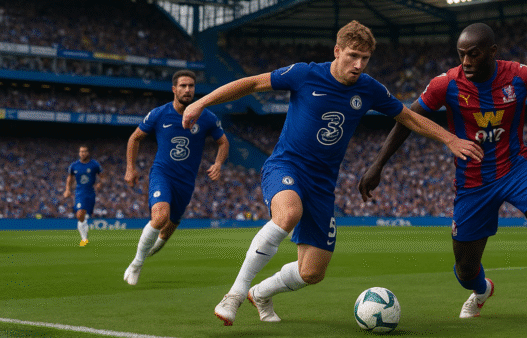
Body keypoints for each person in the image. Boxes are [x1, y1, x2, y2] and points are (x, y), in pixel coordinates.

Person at [181, 20, 483, 327]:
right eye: (352, 55)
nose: (358, 64)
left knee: (311, 272)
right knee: (288, 214)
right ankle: (234, 294)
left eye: (365, 59)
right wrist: (201, 103)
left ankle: (260, 293)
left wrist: (450, 139)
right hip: (286, 167)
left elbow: (408, 117)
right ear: (337, 51)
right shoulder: (305, 74)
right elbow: (250, 84)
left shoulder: (369, 89)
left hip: (323, 185)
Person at [360, 22, 527, 324]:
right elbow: (408, 118)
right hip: (473, 184)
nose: (466, 62)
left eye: (474, 54)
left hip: (516, 168)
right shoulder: (447, 83)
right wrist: (378, 164)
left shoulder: (518, 75)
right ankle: (481, 291)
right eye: (461, 54)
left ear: (492, 52)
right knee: (466, 272)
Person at [123, 69, 229, 285]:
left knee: (169, 228)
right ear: (174, 89)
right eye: (183, 86)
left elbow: (223, 141)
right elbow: (135, 138)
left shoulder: (206, 116)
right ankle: (137, 263)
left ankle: (145, 253)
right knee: (160, 217)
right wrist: (130, 168)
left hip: (186, 182)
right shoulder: (159, 114)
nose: (188, 90)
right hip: (162, 174)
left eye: (191, 86)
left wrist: (218, 163)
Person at [63, 145, 102, 246]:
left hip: (91, 193)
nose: (82, 153)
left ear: (88, 153)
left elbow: (102, 176)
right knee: (80, 214)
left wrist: (100, 183)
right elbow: (70, 178)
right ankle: (84, 239)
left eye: (84, 151)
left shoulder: (94, 164)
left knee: (85, 215)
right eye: (81, 152)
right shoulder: (74, 166)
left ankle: (85, 230)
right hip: (80, 192)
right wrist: (67, 189)